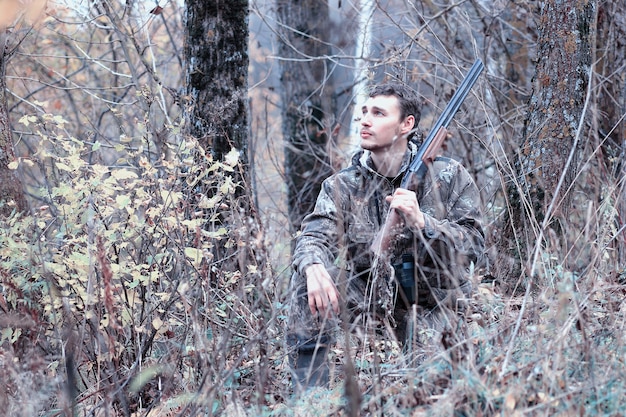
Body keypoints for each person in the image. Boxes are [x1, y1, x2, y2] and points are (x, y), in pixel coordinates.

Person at [286, 82, 485, 394]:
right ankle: (309, 398)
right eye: (364, 112)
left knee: (430, 389)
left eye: (378, 113)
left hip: (431, 303)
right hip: (367, 300)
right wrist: (313, 267)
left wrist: (424, 222)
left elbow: (474, 245)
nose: (365, 120)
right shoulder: (342, 185)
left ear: (407, 125)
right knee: (305, 284)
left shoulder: (448, 176)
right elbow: (313, 236)